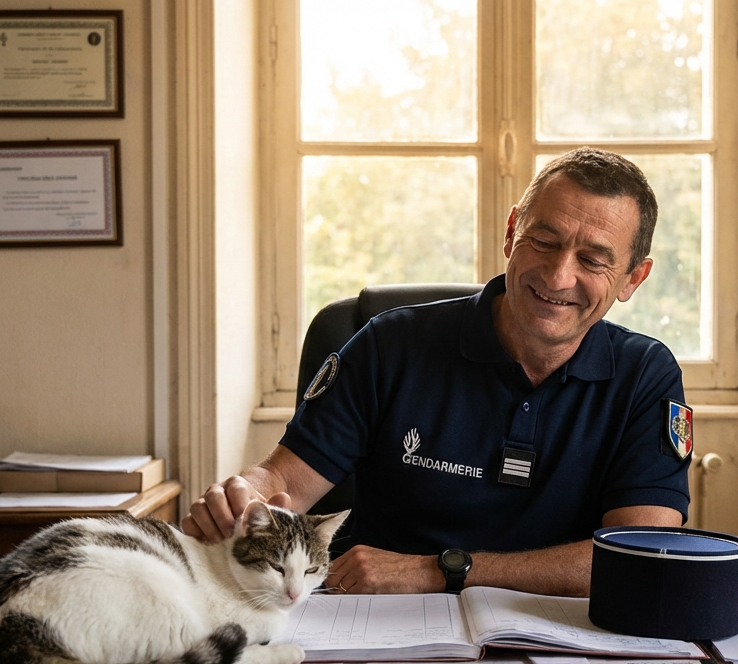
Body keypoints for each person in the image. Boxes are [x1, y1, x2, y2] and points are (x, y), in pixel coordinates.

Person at [182, 147, 692, 597]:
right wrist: (241, 495)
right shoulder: (388, 346)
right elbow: (281, 480)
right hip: (380, 629)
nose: (559, 276)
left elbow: (640, 555)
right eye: (544, 240)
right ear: (512, 233)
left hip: (558, 644)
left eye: (593, 260)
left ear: (633, 278)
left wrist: (442, 570)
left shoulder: (646, 376)